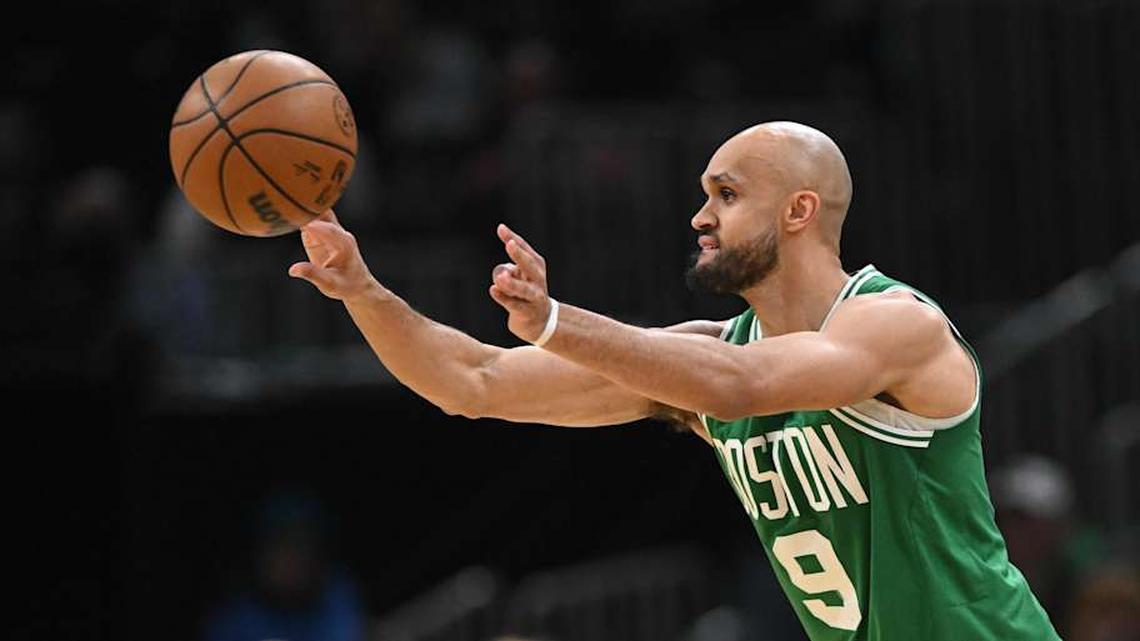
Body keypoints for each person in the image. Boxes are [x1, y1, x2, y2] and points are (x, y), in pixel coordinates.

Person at [288, 121, 1061, 640]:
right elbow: (471, 379)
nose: (699, 216)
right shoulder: (709, 354)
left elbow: (739, 385)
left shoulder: (896, 324)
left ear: (798, 211)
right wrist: (362, 289)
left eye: (727, 194)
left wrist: (555, 319)